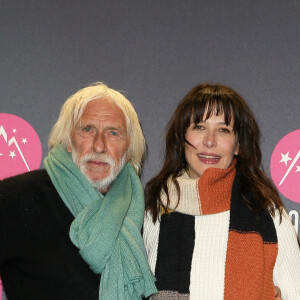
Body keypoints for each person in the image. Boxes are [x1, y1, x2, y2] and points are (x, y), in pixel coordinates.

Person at [0, 82, 157, 300]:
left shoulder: (145, 213)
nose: (99, 146)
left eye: (113, 133)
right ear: (67, 141)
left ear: (129, 149)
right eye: (87, 129)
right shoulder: (12, 199)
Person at [143, 83, 300, 299]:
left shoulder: (265, 210)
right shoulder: (155, 207)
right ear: (182, 138)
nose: (209, 141)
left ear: (237, 146)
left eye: (223, 130)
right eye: (199, 127)